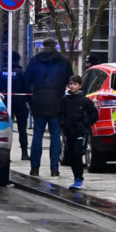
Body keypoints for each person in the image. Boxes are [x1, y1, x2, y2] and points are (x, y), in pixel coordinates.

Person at [23, 37, 73, 177]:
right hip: (57, 102)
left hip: (39, 102)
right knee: (55, 135)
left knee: (37, 135)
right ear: (55, 46)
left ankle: (35, 168)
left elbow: (27, 81)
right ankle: (54, 169)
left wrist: (31, 99)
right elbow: (71, 81)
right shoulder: (64, 61)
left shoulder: (34, 60)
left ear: (43, 46)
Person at [59, 75, 97, 190]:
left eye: (75, 84)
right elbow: (60, 114)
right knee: (71, 155)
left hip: (81, 131)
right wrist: (63, 124)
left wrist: (84, 122)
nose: (72, 86)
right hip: (69, 132)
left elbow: (94, 114)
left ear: (80, 86)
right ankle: (76, 177)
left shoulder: (85, 100)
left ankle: (79, 178)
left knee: (77, 153)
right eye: (71, 84)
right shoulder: (65, 100)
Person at [0, 51, 31, 160]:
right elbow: (27, 89)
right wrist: (31, 103)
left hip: (5, 104)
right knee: (22, 129)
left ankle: (6, 154)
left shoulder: (0, 73)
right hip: (20, 103)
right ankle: (24, 153)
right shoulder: (21, 73)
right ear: (17, 60)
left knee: (6, 129)